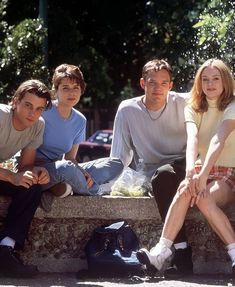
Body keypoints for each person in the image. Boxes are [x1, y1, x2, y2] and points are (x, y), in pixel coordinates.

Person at [137, 59, 235, 276]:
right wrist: (191, 171)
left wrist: (203, 174)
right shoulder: (194, 106)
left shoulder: (232, 105)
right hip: (203, 167)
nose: (210, 84)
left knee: (203, 198)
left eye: (215, 78)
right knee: (184, 190)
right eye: (205, 79)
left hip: (229, 171)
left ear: (225, 81)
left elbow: (218, 140)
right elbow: (192, 139)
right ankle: (161, 252)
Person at [110, 59, 192, 277]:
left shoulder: (185, 102)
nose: (158, 88)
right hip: (151, 172)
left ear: (171, 85)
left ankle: (182, 252)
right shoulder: (127, 110)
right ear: (142, 83)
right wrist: (108, 182)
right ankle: (183, 253)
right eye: (152, 82)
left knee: (164, 176)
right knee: (161, 177)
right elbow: (119, 155)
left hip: (185, 165)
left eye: (164, 83)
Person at [35, 64, 123, 211]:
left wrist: (83, 173)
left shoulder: (80, 120)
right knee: (65, 169)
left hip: (63, 167)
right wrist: (72, 171)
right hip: (39, 170)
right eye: (65, 88)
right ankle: (94, 192)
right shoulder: (43, 111)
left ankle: (66, 187)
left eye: (76, 87)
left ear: (82, 90)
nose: (71, 93)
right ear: (56, 91)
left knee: (115, 164)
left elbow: (70, 158)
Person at [0, 79, 52, 278]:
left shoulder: (37, 125)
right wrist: (11, 176)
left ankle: (6, 249)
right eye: (28, 105)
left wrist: (36, 171)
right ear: (15, 102)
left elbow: (25, 167)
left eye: (39, 109)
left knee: (32, 186)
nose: (33, 113)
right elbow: (13, 175)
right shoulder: (1, 116)